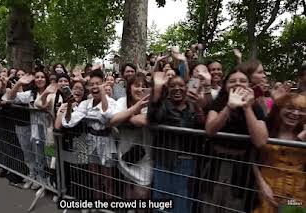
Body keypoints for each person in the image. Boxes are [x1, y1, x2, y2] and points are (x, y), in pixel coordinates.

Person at [203, 66, 268, 213]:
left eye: (242, 81)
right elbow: (210, 130)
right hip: (216, 164)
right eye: (232, 81)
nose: (238, 83)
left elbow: (260, 141)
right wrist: (229, 107)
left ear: (249, 85)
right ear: (225, 86)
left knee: (235, 207)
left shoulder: (256, 107)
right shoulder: (219, 103)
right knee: (211, 206)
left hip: (242, 168)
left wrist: (247, 107)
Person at [148, 72, 205, 213]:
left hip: (186, 162)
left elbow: (202, 128)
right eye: (173, 86)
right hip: (164, 160)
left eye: (181, 85)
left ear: (186, 87)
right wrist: (157, 90)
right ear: (168, 89)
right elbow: (153, 117)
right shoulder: (164, 105)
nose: (177, 88)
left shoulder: (192, 107)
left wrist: (198, 107)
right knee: (161, 200)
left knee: (181, 199)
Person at [61, 69, 118, 200]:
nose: (94, 87)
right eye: (91, 84)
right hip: (91, 142)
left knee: (107, 179)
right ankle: (98, 204)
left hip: (107, 142)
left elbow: (107, 115)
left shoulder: (113, 102)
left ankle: (109, 207)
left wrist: (103, 93)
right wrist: (69, 104)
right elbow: (69, 122)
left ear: (103, 84)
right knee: (95, 178)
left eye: (98, 83)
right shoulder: (86, 104)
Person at [254, 93, 306, 213]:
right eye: (290, 108)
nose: (295, 113)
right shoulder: (267, 128)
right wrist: (262, 185)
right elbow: (254, 158)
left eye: (301, 110)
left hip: (297, 192)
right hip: (270, 189)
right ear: (279, 109)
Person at [110, 73, 152, 204]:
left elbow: (145, 120)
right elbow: (113, 120)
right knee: (127, 191)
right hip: (126, 155)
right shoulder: (122, 101)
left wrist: (128, 118)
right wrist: (136, 108)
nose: (140, 89)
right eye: (136, 86)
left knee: (142, 194)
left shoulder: (150, 103)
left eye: (144, 86)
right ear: (129, 88)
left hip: (145, 158)